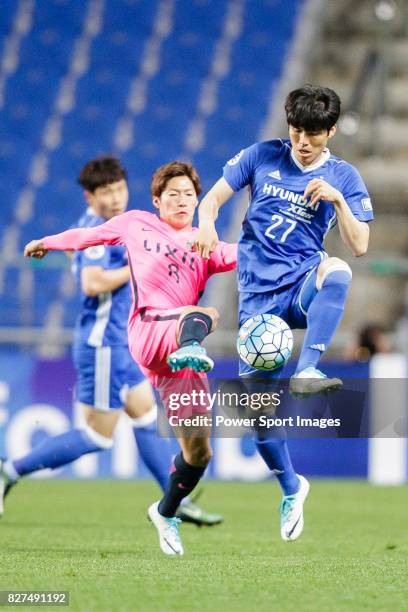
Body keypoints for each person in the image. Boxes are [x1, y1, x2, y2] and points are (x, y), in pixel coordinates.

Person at [23, 160, 237, 556]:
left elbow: (251, 257)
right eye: (172, 194)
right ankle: (192, 341)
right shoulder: (136, 223)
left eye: (189, 194)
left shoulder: (206, 244)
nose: (181, 200)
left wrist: (304, 259)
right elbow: (88, 236)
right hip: (148, 331)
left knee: (198, 454)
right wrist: (46, 241)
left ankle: (166, 512)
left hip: (180, 358)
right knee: (204, 315)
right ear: (156, 200)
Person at [194, 85, 374, 540]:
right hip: (258, 302)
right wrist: (207, 225)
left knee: (336, 272)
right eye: (297, 131)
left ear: (331, 131)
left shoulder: (345, 177)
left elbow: (359, 246)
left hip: (301, 285)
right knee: (260, 413)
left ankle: (309, 368)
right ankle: (292, 488)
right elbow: (211, 200)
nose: (303, 141)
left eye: (314, 133)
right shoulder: (262, 156)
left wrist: (335, 200)